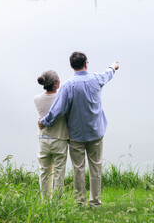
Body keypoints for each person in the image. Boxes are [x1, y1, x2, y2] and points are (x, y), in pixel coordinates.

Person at [38, 52, 119, 207]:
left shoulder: (68, 85)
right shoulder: (96, 79)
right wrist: (113, 67)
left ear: (71, 66)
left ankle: (80, 202)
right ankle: (95, 202)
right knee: (96, 168)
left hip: (76, 135)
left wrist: (44, 122)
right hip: (96, 132)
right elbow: (108, 73)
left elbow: (58, 110)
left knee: (78, 169)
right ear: (86, 64)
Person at [34, 70, 69, 199]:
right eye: (58, 79)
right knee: (59, 174)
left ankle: (44, 201)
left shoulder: (37, 99)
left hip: (43, 139)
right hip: (59, 139)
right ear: (55, 83)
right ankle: (56, 202)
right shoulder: (62, 99)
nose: (60, 81)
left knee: (44, 173)